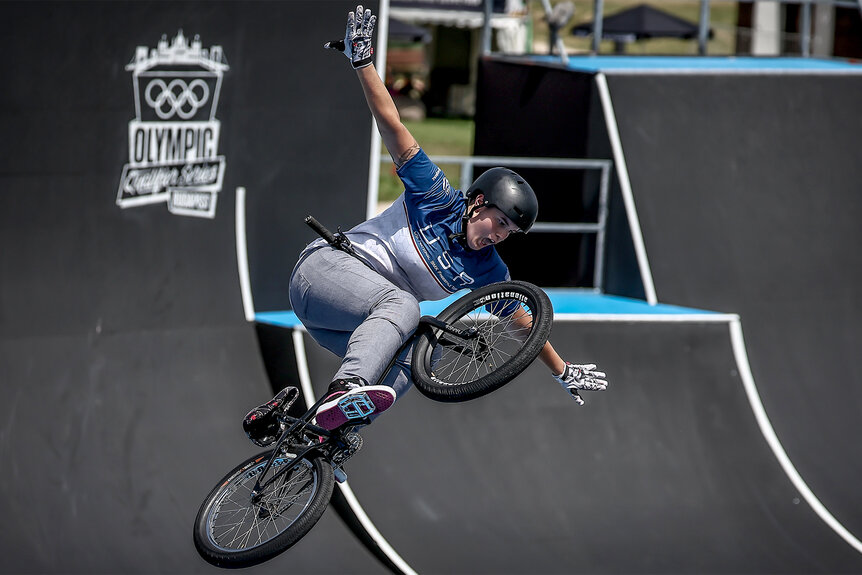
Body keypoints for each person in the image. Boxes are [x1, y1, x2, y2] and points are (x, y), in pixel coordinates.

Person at [243, 5, 608, 445]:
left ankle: (319, 439)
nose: (499, 234)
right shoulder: (435, 195)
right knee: (406, 308)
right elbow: (392, 125)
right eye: (499, 220)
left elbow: (523, 325)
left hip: (341, 324)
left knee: (417, 360)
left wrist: (563, 371)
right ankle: (346, 390)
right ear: (477, 202)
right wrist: (363, 63)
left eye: (509, 232)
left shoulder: (487, 270)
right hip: (324, 272)